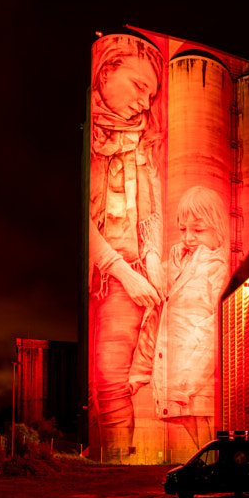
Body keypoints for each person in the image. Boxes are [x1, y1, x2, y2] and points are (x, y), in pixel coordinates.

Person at [88, 34, 165, 458]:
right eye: (138, 87)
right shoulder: (93, 139)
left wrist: (150, 268)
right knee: (102, 375)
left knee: (112, 376)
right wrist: (120, 270)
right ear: (106, 71)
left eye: (151, 95)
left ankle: (118, 464)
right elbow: (85, 220)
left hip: (134, 270)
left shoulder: (144, 145)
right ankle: (110, 459)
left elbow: (149, 216)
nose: (144, 103)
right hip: (110, 270)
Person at [130, 185, 230, 454]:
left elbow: (213, 336)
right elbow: (155, 318)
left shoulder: (217, 271)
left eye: (198, 230)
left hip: (199, 388)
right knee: (198, 451)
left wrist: (187, 384)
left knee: (210, 446)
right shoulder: (174, 263)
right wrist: (139, 372)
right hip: (172, 386)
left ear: (218, 229)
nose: (189, 237)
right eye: (183, 229)